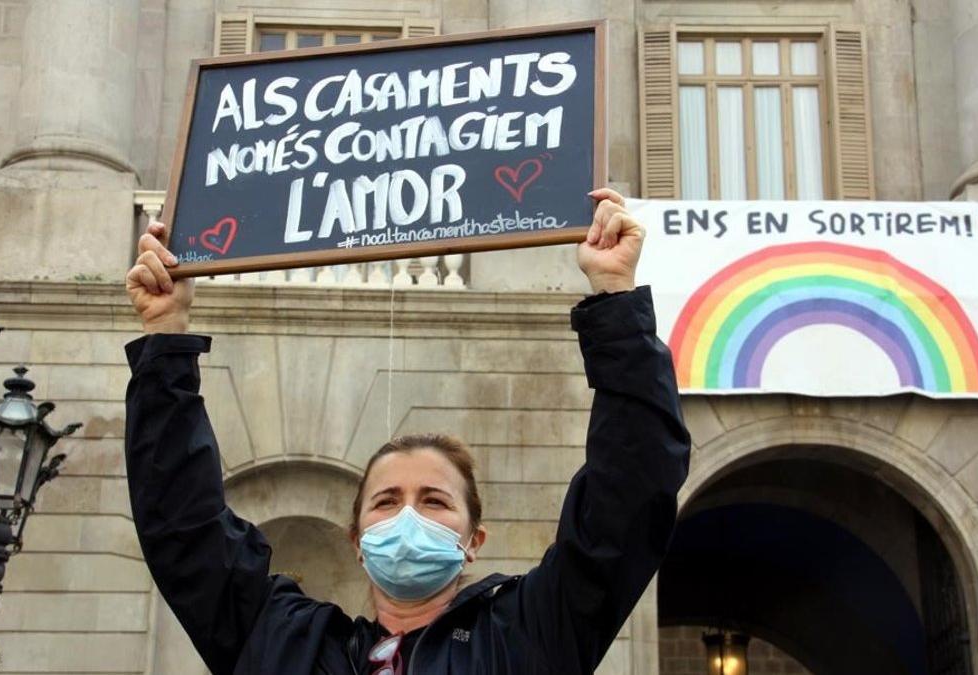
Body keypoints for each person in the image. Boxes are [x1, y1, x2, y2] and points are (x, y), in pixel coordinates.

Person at [123, 188, 691, 675]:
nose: (408, 517)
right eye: (387, 501)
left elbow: (631, 491)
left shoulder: (530, 633)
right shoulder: (282, 643)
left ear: (474, 541)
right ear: (357, 540)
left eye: (435, 500)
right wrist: (165, 336)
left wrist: (616, 299)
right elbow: (183, 526)